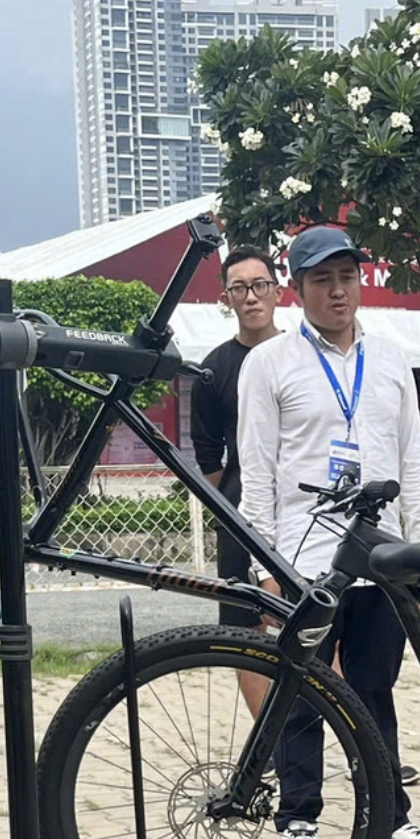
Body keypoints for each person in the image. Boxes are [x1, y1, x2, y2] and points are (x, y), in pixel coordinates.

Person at [235, 224, 420, 839]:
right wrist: (266, 570)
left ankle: (386, 814)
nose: (337, 291)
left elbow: (414, 460)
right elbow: (257, 472)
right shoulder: (268, 364)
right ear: (295, 290)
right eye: (321, 280)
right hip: (302, 562)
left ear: (362, 281)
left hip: (379, 560)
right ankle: (298, 819)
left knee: (375, 689)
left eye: (347, 277)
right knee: (300, 689)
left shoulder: (389, 361)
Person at [188, 243, 281, 716]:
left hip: (306, 511)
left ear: (278, 291)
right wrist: (234, 501)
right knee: (246, 632)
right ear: (226, 298)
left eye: (259, 285)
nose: (251, 297)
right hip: (239, 513)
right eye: (239, 288)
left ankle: (353, 749)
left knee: (329, 625)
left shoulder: (304, 356)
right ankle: (271, 746)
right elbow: (208, 456)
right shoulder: (212, 370)